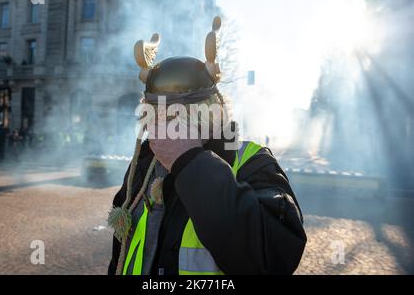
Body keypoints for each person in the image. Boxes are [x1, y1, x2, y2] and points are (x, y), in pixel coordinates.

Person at [107, 17, 306, 275]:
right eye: (155, 113)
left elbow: (272, 257)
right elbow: (121, 256)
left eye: (175, 114)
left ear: (208, 111)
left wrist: (189, 160)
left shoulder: (252, 161)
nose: (161, 125)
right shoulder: (142, 166)